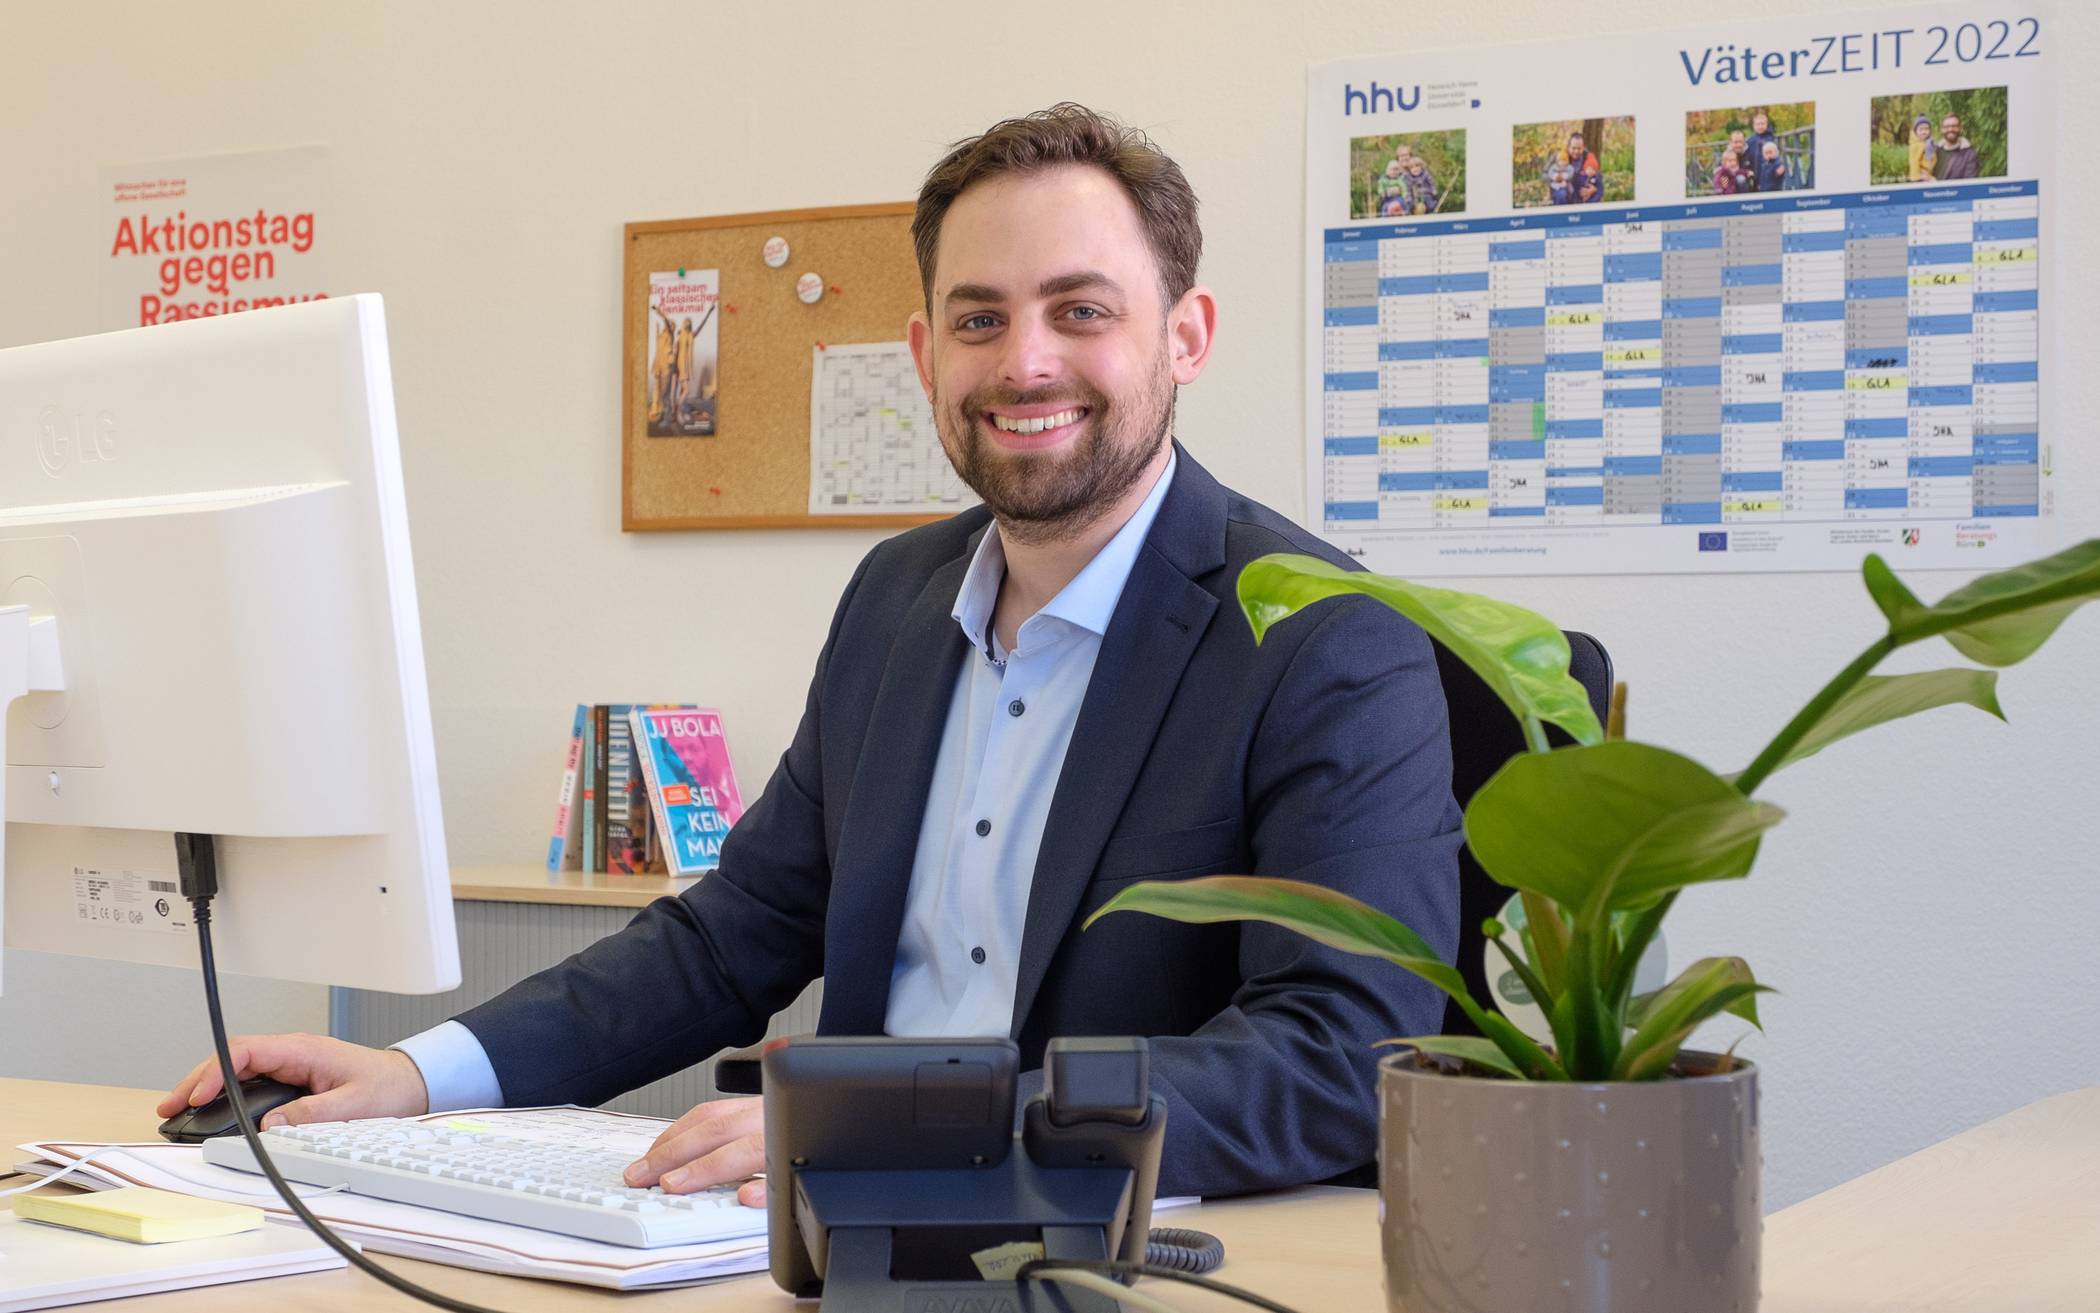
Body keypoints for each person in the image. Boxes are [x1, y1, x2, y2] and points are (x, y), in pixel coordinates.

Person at [158, 104, 1463, 1204]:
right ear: (923, 353)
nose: (1025, 361)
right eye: (978, 318)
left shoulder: (1322, 639)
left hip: (1120, 1249)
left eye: (1081, 310)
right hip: (836, 1247)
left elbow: (1342, 1054)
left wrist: (918, 1123)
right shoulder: (900, 596)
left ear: (1185, 336)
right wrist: (418, 1073)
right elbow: (731, 938)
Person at [1934, 114, 1979, 180]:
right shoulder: (1934, 151)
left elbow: (1969, 185)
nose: (1950, 129)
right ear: (1941, 129)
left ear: (1960, 128)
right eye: (1947, 126)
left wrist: (1935, 183)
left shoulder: (1969, 155)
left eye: (1954, 126)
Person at [1566, 132, 1602, 204]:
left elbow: (1597, 177)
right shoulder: (1562, 158)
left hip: (1584, 189)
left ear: (1583, 148)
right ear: (1568, 147)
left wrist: (1595, 189)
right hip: (1568, 190)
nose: (1576, 151)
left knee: (1597, 178)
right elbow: (1547, 175)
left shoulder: (1588, 158)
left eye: (1579, 148)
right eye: (1573, 148)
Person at [1906, 115, 1938, 182]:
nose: (1924, 132)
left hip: (1930, 172)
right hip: (1921, 175)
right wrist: (1917, 176)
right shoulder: (1915, 145)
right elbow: (1913, 162)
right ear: (1915, 131)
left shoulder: (1929, 143)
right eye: (1921, 129)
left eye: (1926, 129)